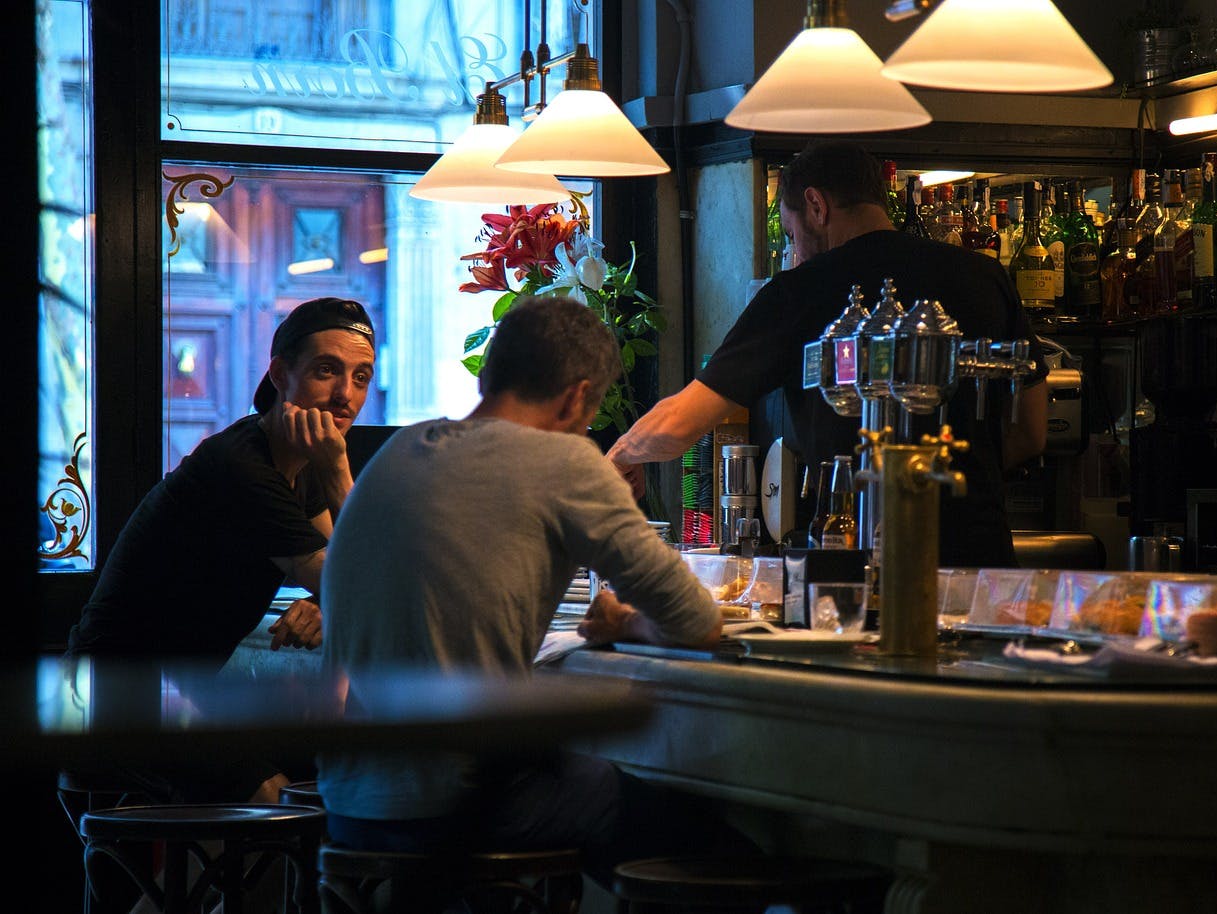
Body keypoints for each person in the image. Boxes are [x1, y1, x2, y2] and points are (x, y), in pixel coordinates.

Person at [317, 295, 753, 892]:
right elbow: (698, 620)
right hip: (463, 804)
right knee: (719, 856)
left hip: (349, 803)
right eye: (587, 412)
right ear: (576, 397)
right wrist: (625, 624)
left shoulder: (396, 452)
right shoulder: (564, 459)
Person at [607, 140, 1049, 568]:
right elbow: (1032, 432)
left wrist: (623, 454)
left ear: (816, 205)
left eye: (791, 231)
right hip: (982, 563)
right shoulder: (985, 276)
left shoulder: (800, 291)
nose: (794, 249)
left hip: (857, 562)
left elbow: (684, 420)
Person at [65, 295, 377, 804]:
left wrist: (327, 600)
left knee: (323, 772)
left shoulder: (297, 466)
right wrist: (340, 471)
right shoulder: (243, 468)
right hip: (114, 702)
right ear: (279, 374)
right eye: (327, 370)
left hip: (172, 695)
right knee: (283, 800)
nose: (346, 395)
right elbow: (363, 584)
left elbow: (353, 575)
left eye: (361, 377)